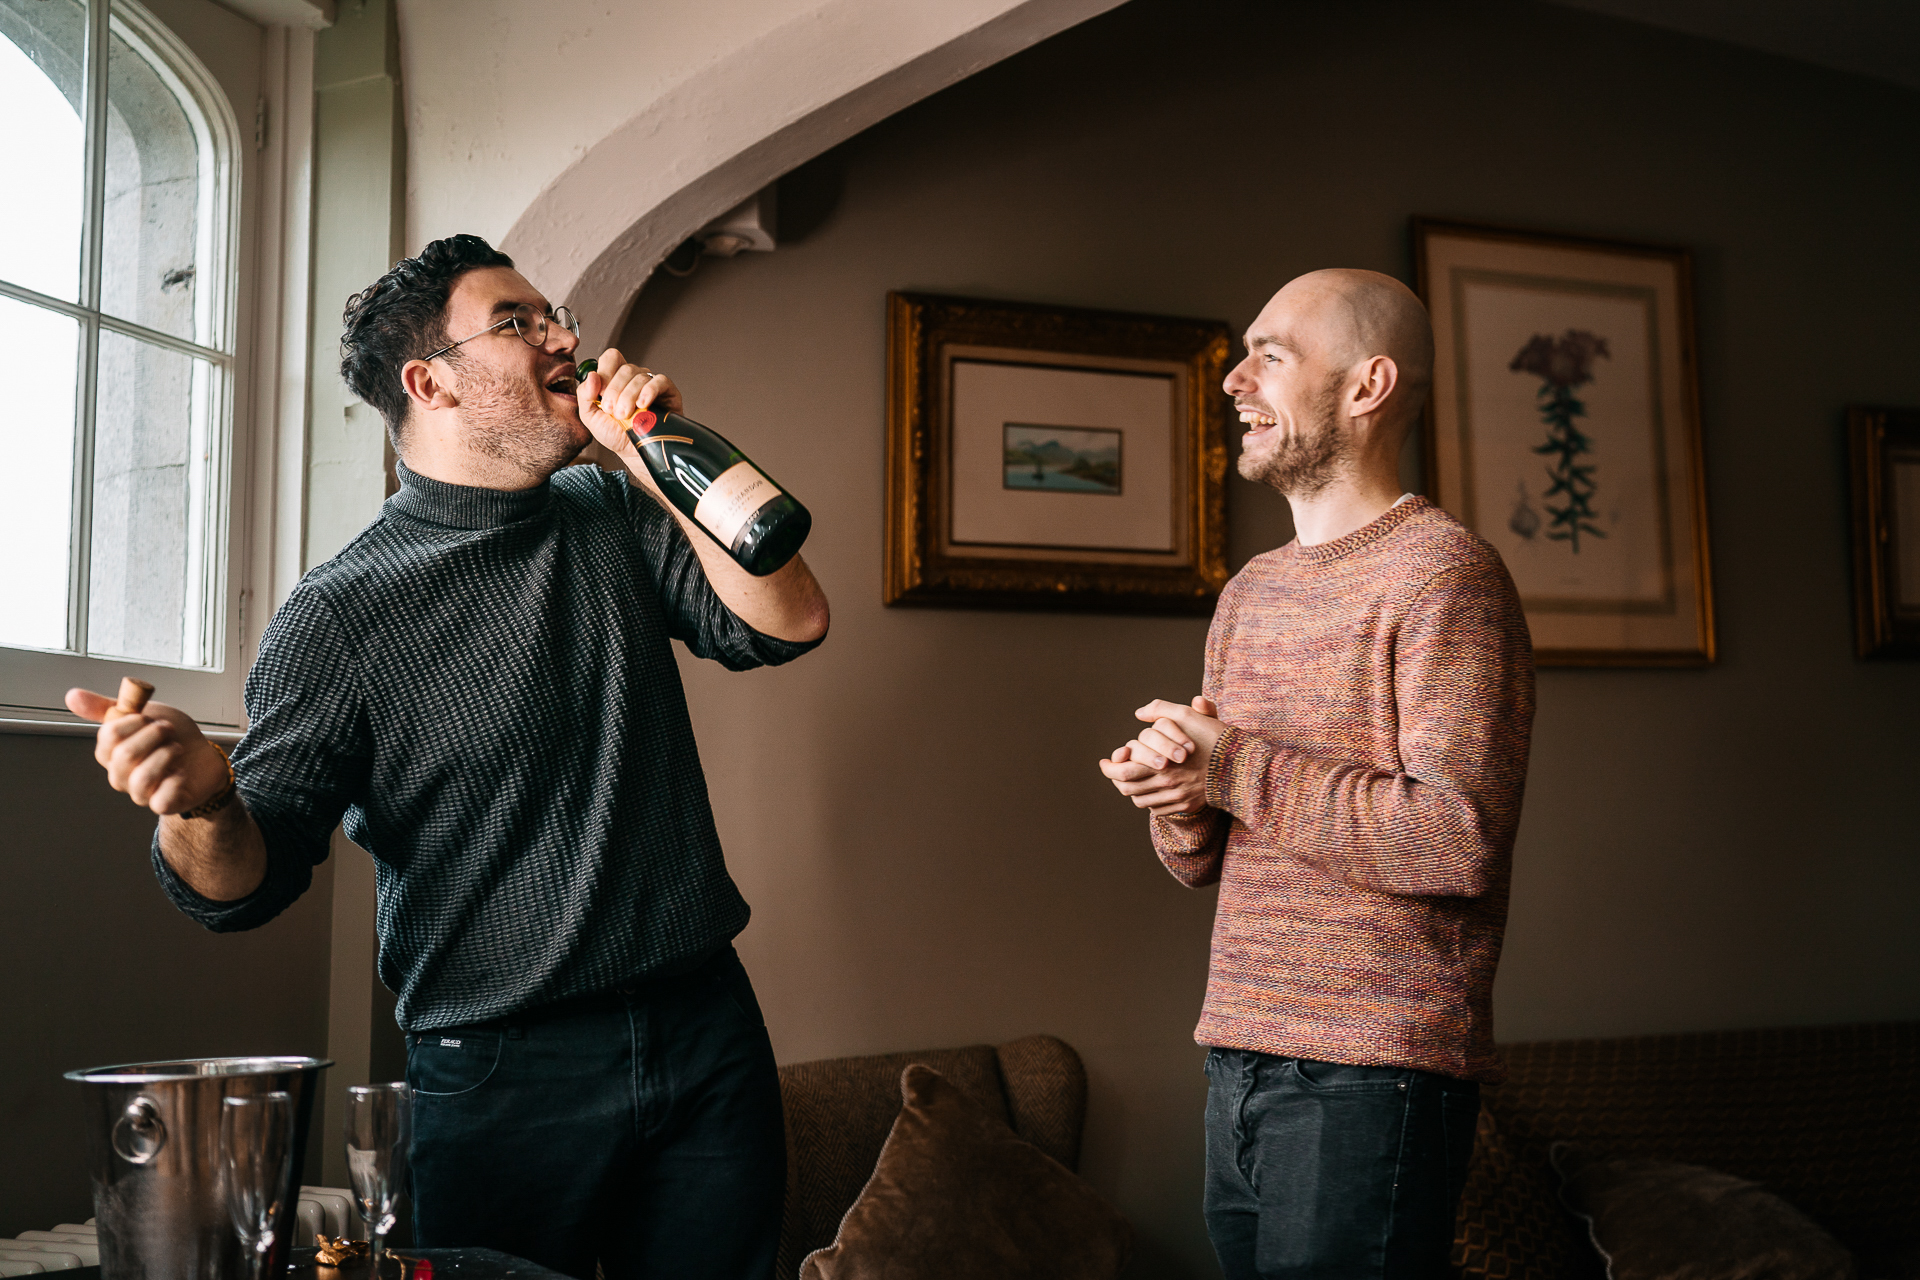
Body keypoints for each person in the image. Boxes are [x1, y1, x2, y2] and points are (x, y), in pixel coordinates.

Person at [66, 234, 829, 1279]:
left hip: (706, 1028)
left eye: (553, 313)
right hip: (504, 1071)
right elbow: (246, 883)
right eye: (518, 322)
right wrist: (201, 806)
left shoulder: (608, 509)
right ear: (430, 382)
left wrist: (661, 450)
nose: (563, 335)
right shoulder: (340, 612)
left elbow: (788, 618)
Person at [1099, 269, 1533, 1278]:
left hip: (1375, 1074)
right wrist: (1179, 801)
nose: (1234, 379)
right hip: (1238, 1053)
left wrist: (1232, 764)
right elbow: (1209, 857)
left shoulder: (1447, 576)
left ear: (1367, 385)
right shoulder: (1251, 591)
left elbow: (1453, 836)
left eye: (1272, 354)